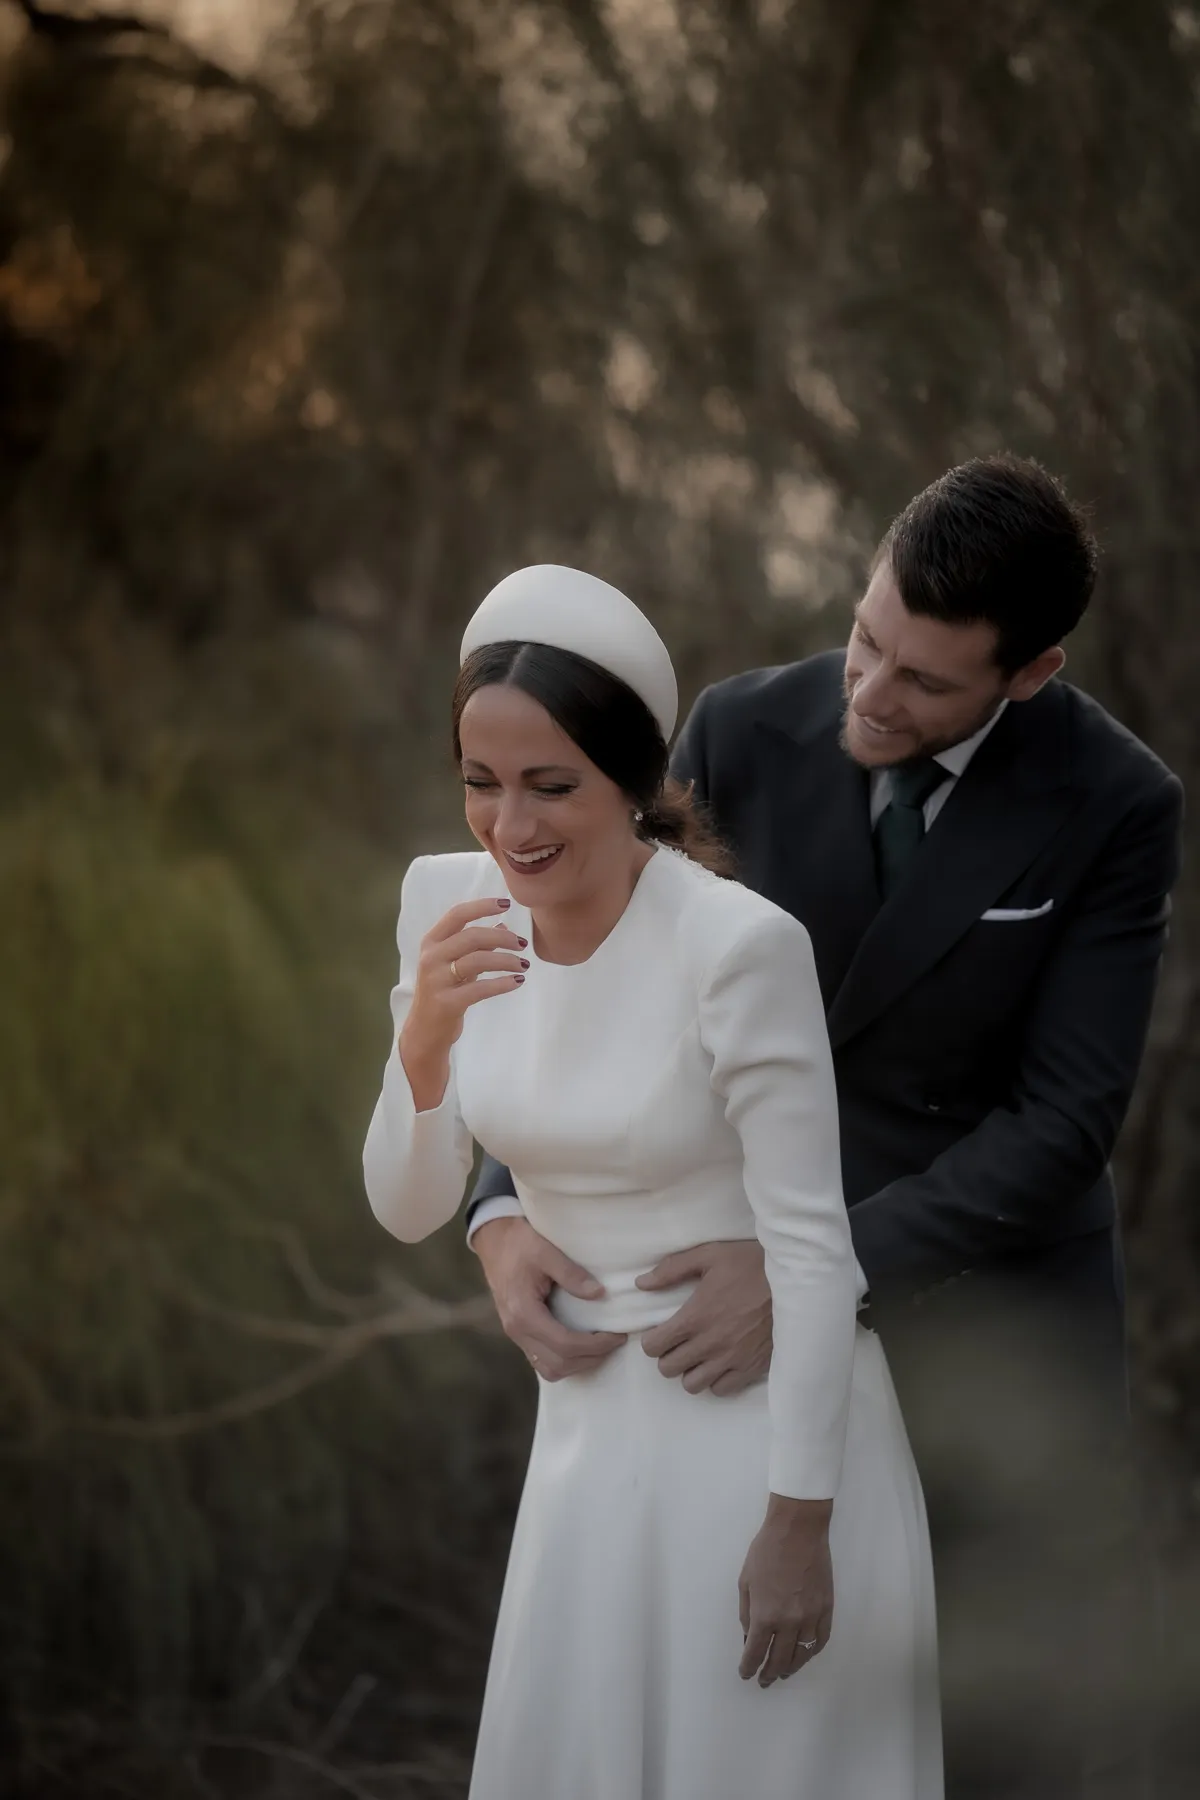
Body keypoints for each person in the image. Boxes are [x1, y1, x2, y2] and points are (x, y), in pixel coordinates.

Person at [468, 457, 1184, 1799]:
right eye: (866, 638)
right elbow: (584, 969)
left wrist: (811, 1278)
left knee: (986, 1742)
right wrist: (502, 1205)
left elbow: (1062, 1123)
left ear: (1030, 673)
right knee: (735, 1717)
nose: (868, 691)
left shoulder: (1116, 805)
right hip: (726, 1335)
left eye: (922, 680)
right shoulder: (738, 731)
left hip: (985, 1325)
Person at [363, 564, 942, 1800]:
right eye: (480, 783)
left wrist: (801, 1525)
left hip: (760, 1449)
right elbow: (412, 1205)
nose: (509, 825)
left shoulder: (737, 947)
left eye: (551, 786)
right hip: (585, 1449)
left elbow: (810, 1253)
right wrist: (421, 1041)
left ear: (635, 780)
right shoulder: (445, 905)